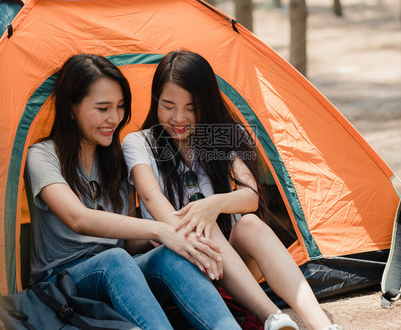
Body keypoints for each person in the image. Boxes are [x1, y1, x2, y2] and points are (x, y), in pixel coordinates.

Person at [123, 50, 343, 330]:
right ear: (155, 101)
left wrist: (213, 204)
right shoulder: (138, 143)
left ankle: (323, 326)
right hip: (177, 261)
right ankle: (274, 317)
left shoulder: (219, 136)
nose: (179, 117)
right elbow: (152, 199)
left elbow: (251, 196)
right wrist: (193, 225)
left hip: (229, 267)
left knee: (247, 223)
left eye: (192, 107)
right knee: (201, 223)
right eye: (168, 105)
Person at [24, 53, 241, 330]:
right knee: (116, 259)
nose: (114, 118)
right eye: (103, 109)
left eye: (120, 107)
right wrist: (160, 230)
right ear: (71, 108)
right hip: (61, 282)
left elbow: (128, 244)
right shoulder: (42, 156)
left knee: (166, 254)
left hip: (123, 272)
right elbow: (77, 218)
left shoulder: (115, 161)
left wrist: (165, 242)